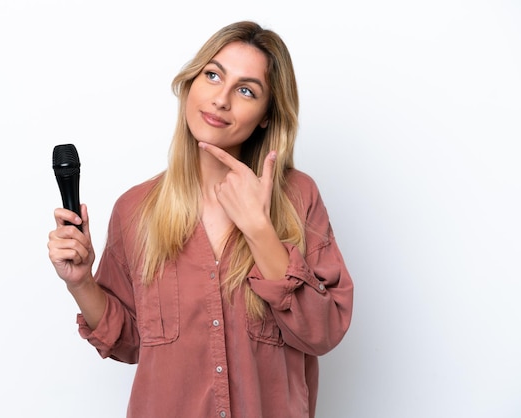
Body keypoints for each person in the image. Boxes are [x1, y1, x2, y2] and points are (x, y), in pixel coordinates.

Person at [48, 20, 354, 418]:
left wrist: (260, 232)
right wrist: (81, 282)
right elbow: (130, 344)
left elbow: (323, 332)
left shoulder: (298, 197)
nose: (221, 99)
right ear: (191, 84)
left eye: (246, 90)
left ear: (266, 114)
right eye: (213, 76)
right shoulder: (135, 209)